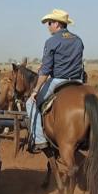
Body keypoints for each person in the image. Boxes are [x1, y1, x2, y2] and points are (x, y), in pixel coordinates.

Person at [26, 8, 84, 153]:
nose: (48, 26)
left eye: (50, 23)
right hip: (78, 81)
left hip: (58, 81)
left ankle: (39, 139)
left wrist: (35, 91)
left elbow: (45, 72)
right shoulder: (78, 40)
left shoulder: (52, 41)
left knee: (30, 104)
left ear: (57, 24)